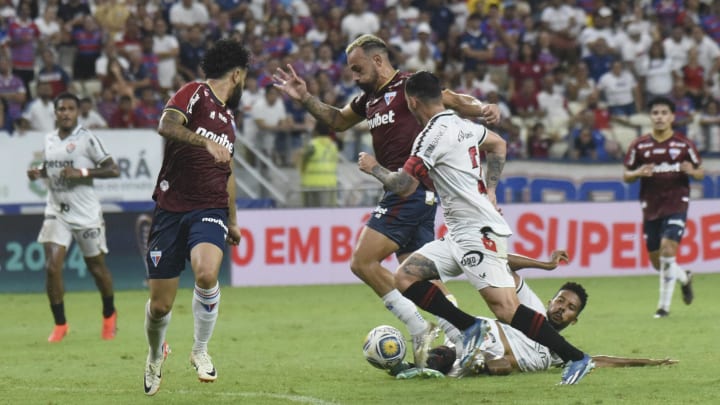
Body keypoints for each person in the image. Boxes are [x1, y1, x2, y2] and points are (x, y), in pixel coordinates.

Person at [273, 33, 500, 366]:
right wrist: (305, 97)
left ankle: (418, 326)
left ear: (378, 60)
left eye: (357, 68)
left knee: (362, 262)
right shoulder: (369, 101)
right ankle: (470, 344)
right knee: (422, 278)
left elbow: (453, 99)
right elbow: (336, 119)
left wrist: (483, 108)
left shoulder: (409, 86)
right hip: (414, 194)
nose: (354, 76)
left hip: (408, 189)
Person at [357, 70, 594, 385]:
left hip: (478, 233)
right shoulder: (462, 124)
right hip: (458, 232)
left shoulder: (430, 135)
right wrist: (491, 188)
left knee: (507, 309)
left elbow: (403, 186)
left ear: (412, 102)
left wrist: (374, 168)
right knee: (406, 276)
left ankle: (577, 357)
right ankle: (470, 327)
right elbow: (498, 144)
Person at [142, 39, 247, 396]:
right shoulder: (194, 93)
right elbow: (166, 126)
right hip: (171, 209)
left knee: (206, 273)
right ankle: (156, 354)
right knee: (160, 306)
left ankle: (200, 350)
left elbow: (227, 172)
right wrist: (203, 142)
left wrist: (232, 219)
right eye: (244, 77)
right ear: (237, 74)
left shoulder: (230, 120)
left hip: (210, 207)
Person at [393, 282, 677, 379]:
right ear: (549, 301)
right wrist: (543, 265)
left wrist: (648, 362)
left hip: (488, 359)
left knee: (498, 366)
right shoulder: (529, 306)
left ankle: (423, 363)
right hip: (474, 330)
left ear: (573, 320)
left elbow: (599, 361)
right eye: (560, 301)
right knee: (429, 285)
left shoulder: (558, 354)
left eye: (570, 308)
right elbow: (507, 267)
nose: (561, 308)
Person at [26, 92, 120, 343]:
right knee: (52, 267)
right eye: (61, 109)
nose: (65, 113)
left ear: (77, 112)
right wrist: (39, 172)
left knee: (97, 269)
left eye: (70, 109)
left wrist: (82, 171)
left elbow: (113, 169)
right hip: (56, 211)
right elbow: (51, 167)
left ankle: (109, 315)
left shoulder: (86, 138)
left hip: (86, 214)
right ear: (55, 113)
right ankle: (60, 324)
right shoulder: (49, 139)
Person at [623, 97, 704, 319]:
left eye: (664, 112)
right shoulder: (639, 145)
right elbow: (626, 174)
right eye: (655, 112)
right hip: (651, 207)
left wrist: (692, 170)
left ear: (672, 117)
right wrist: (638, 173)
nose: (659, 116)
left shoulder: (684, 145)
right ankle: (684, 277)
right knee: (658, 263)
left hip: (677, 203)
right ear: (651, 117)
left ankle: (663, 308)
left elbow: (700, 172)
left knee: (669, 249)